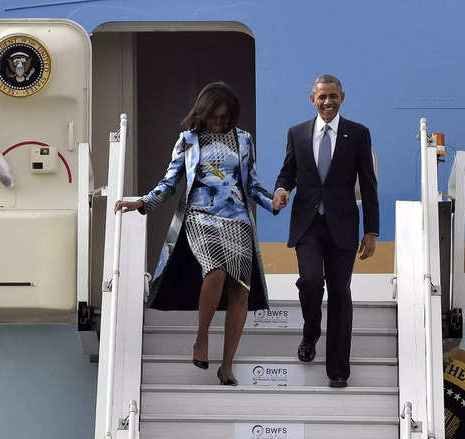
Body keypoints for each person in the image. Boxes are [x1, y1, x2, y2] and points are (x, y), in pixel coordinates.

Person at [115, 82, 282, 386]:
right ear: (203, 113)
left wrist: (273, 203)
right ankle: (201, 338)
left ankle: (227, 365)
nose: (219, 122)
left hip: (238, 220)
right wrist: (142, 203)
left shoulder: (244, 140)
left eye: (225, 117)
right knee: (215, 271)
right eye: (214, 116)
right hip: (200, 216)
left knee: (240, 290)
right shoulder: (187, 141)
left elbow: (252, 185)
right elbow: (169, 183)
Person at [273, 74, 379, 388]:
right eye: (322, 97)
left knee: (340, 294)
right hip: (308, 223)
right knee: (309, 281)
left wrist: (372, 230)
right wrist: (281, 190)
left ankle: (338, 369)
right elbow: (288, 171)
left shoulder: (358, 134)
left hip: (344, 225)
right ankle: (310, 332)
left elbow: (369, 184)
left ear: (342, 97)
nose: (327, 102)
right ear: (313, 100)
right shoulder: (297, 133)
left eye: (333, 96)